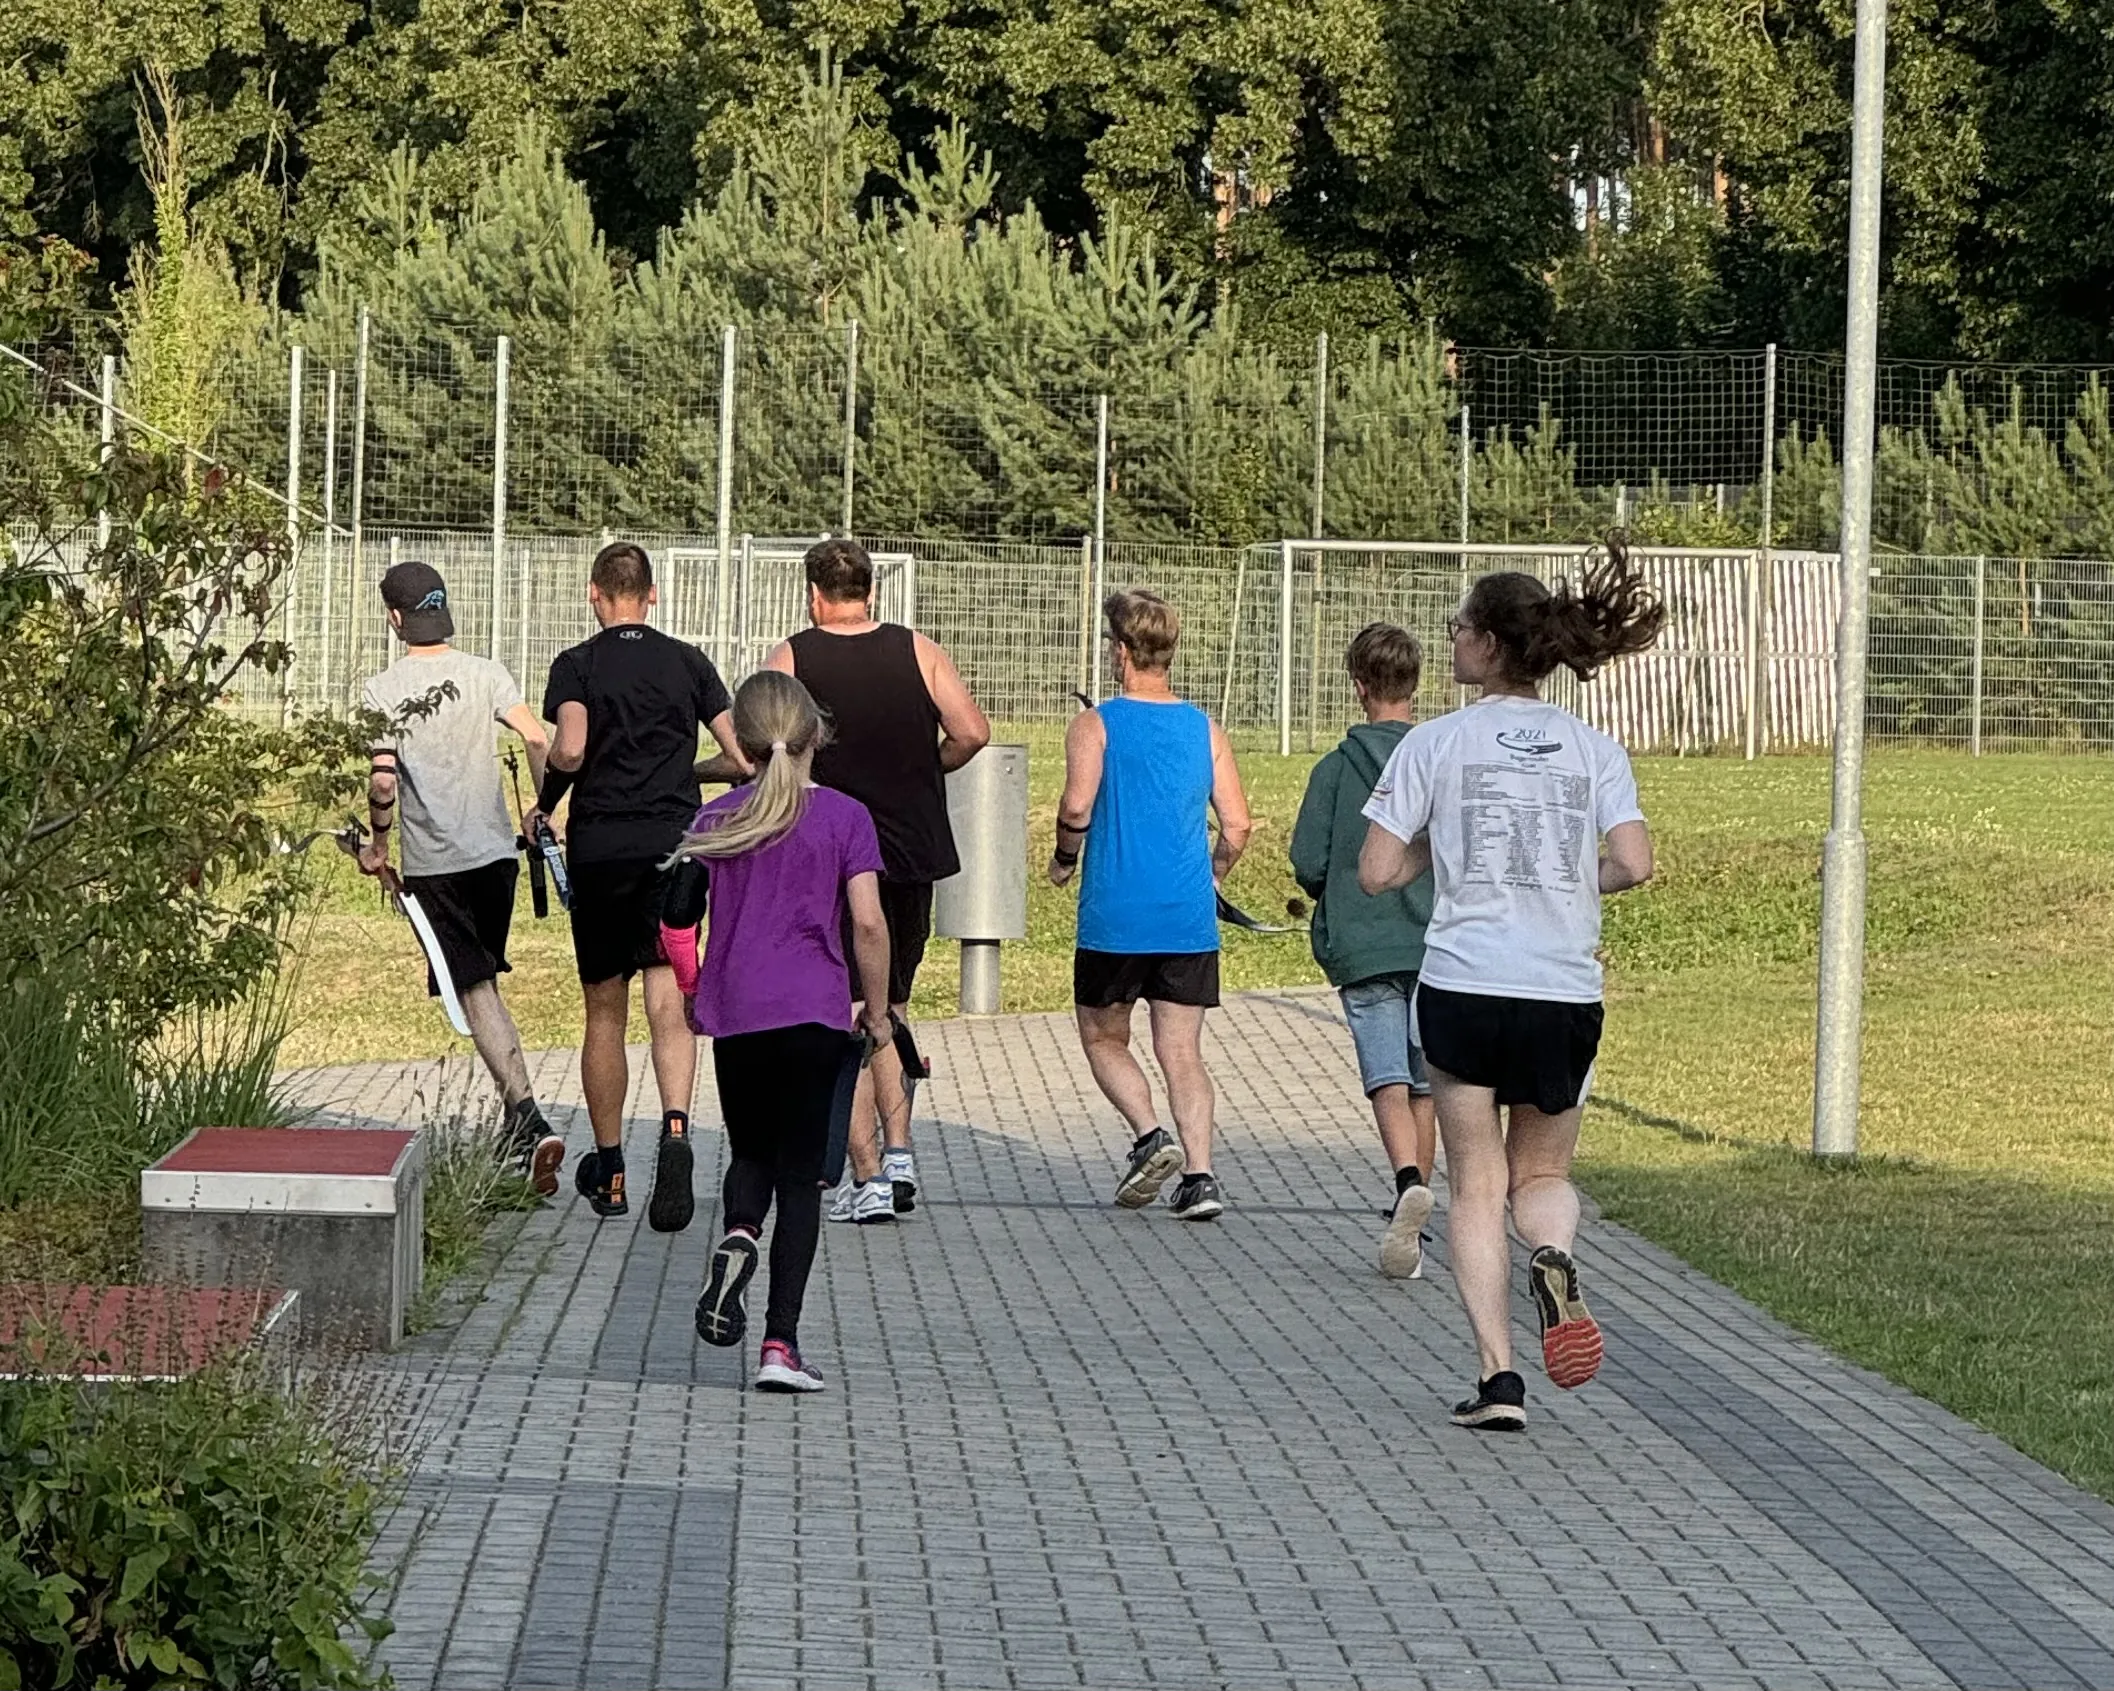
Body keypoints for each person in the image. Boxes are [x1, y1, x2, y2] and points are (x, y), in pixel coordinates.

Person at [1358, 540, 1662, 1432]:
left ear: (1489, 645)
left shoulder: (1434, 742)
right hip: (1562, 989)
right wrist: (1569, 881)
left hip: (1463, 984)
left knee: (1477, 1185)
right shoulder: (1594, 748)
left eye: (1460, 627)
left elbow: (1377, 870)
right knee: (1544, 1175)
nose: (1450, 638)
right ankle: (1556, 1253)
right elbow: (1635, 862)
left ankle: (1498, 1379)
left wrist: (1441, 855)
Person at [659, 671, 893, 1392]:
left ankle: (736, 1232)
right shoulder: (847, 818)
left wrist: (699, 989)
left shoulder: (715, 819)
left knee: (750, 1150)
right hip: (816, 1014)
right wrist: (877, 1012)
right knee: (801, 1179)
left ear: (743, 747)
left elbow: (674, 924)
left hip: (739, 1016)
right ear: (816, 735)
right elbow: (868, 923)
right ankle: (780, 1345)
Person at [759, 537, 988, 1225]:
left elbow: (761, 743)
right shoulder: (919, 650)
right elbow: (972, 730)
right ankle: (898, 1149)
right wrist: (926, 767)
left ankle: (865, 1176)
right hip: (912, 853)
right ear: (871, 592)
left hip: (831, 852)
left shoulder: (794, 657)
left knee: (847, 1009)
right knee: (891, 1003)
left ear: (813, 594)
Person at [525, 541, 746, 1226]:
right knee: (670, 998)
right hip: (674, 848)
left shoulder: (577, 664)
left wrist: (551, 798)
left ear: (596, 594)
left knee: (604, 1011)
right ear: (652, 595)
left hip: (601, 852)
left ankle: (612, 1167)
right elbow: (742, 754)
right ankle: (676, 1130)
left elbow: (568, 746)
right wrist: (687, 776)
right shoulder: (687, 661)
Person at [359, 559, 564, 1194]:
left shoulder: (382, 690)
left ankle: (529, 1117)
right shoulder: (486, 673)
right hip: (497, 858)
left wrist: (379, 842)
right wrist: (546, 808)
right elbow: (537, 738)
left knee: (476, 991)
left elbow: (384, 779)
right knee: (485, 986)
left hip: (438, 865)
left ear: (395, 617)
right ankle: (513, 1133)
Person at [1051, 589, 1251, 1221]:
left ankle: (1148, 1135)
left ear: (1120, 652)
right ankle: (1200, 1176)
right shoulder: (1204, 727)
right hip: (1186, 919)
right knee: (1183, 1052)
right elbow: (1239, 825)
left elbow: (1077, 807)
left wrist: (1063, 860)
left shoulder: (1096, 724)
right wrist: (1210, 875)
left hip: (1117, 916)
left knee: (1104, 1036)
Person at [1290, 623, 1439, 1278]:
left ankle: (1406, 1178)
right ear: (1415, 684)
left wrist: (1328, 890)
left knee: (1385, 1073)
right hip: (1439, 943)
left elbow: (1307, 860)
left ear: (1358, 687)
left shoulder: (1335, 768)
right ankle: (1423, 1196)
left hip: (1363, 939)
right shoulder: (1440, 759)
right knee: (1429, 1079)